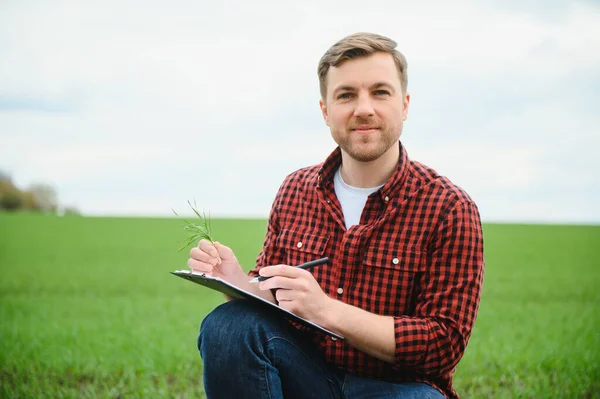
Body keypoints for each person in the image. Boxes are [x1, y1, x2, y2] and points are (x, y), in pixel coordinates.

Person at [188, 32, 484, 399]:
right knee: (227, 326)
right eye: (346, 95)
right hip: (306, 376)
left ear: (404, 105)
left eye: (380, 92)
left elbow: (442, 345)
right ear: (325, 111)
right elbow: (276, 296)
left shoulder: (450, 208)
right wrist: (236, 282)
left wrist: (326, 310)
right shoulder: (295, 189)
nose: (363, 108)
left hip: (399, 389)